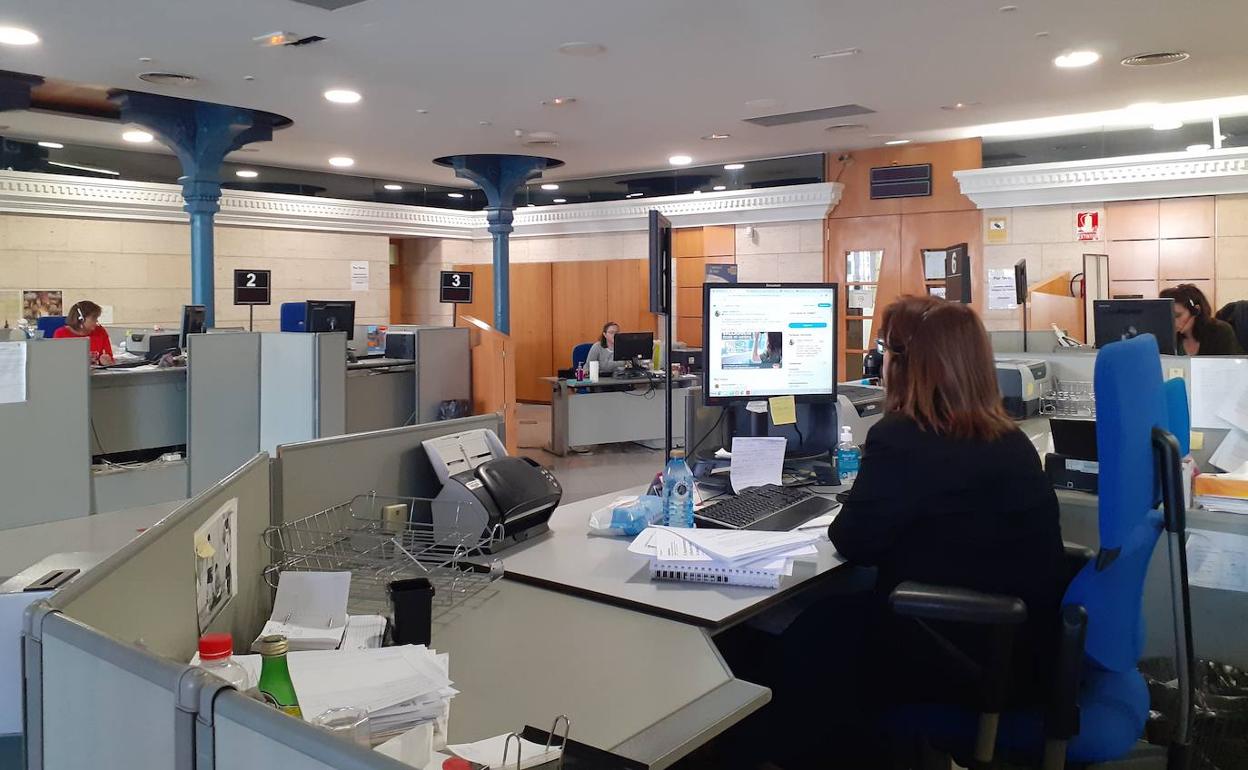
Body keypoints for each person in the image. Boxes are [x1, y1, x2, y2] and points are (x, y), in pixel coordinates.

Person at [722, 296, 1066, 767]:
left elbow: (854, 541)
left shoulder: (904, 437)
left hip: (963, 659)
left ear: (905, 366)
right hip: (1022, 652)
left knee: (807, 634)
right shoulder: (1010, 439)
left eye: (885, 350)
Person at [1160, 284, 1243, 356]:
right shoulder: (1166, 336)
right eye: (1167, 315)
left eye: (1177, 315)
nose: (1171, 320)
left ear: (1195, 311)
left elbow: (1226, 369)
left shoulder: (1220, 331)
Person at [54, 300, 114, 365]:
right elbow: (57, 360)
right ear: (81, 319)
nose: (96, 321)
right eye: (93, 318)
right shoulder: (61, 334)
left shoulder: (100, 331)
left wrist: (105, 361)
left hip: (96, 373)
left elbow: (109, 356)